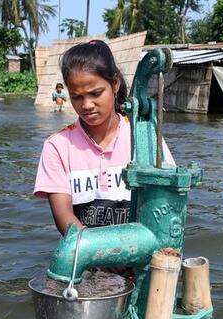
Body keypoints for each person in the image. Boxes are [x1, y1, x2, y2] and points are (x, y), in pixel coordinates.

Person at [34, 40, 175, 236]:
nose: (87, 105)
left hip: (139, 252)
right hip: (86, 255)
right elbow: (64, 216)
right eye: (76, 97)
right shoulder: (57, 146)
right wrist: (103, 253)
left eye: (96, 93)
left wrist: (131, 251)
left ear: (115, 84)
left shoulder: (145, 137)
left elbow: (166, 201)